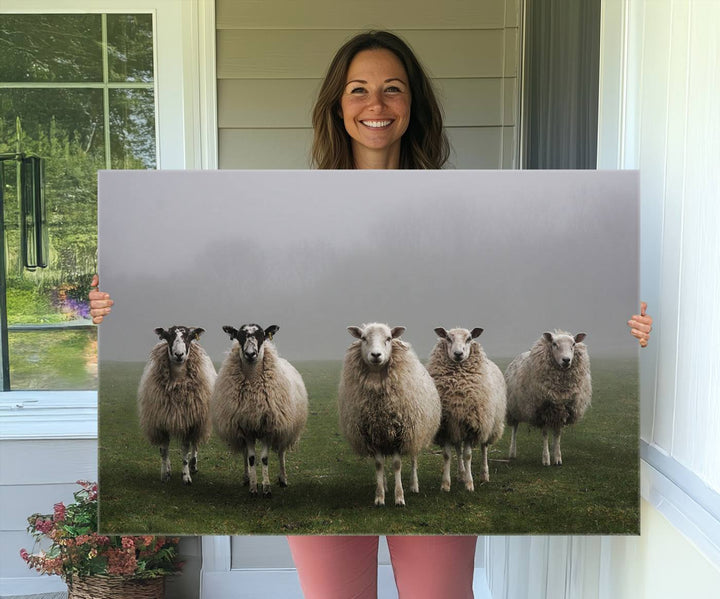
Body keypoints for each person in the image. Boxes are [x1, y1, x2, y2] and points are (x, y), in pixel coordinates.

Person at [89, 30, 653, 599]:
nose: (376, 105)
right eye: (358, 90)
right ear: (338, 105)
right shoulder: (292, 208)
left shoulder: (457, 207)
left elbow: (519, 270)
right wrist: (111, 305)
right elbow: (218, 275)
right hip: (361, 368)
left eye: (393, 89)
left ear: (414, 104)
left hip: (416, 382)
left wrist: (630, 325)